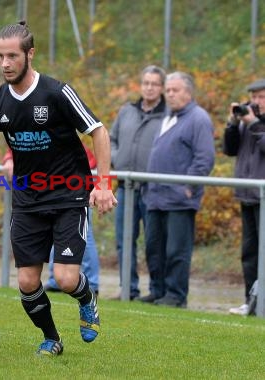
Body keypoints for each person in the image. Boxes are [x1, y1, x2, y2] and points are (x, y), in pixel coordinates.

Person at [0, 21, 117, 356]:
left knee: (65, 278)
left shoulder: (57, 93)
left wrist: (102, 184)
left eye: (12, 56)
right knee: (27, 282)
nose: (5, 63)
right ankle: (51, 339)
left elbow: (99, 131)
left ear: (29, 54)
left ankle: (86, 296)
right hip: (27, 200)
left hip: (68, 194)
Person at [140, 71, 215, 308]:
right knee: (154, 248)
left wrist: (189, 187)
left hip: (179, 199)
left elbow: (204, 158)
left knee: (176, 251)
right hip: (156, 197)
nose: (170, 94)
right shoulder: (167, 117)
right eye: (168, 90)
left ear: (188, 92)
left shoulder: (198, 118)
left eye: (175, 90)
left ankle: (175, 295)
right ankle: (158, 290)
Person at [2, 146, 101, 294]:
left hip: (72, 194)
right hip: (44, 195)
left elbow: (89, 154)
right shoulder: (28, 133)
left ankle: (91, 284)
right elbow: (24, 142)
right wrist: (9, 157)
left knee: (85, 239)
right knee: (54, 237)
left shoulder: (61, 132)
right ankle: (56, 281)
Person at [110, 65, 167, 300]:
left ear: (162, 88)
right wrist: (116, 158)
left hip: (153, 189)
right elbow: (111, 139)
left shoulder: (168, 115)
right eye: (146, 83)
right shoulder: (127, 111)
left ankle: (157, 291)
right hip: (125, 188)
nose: (149, 88)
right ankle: (128, 289)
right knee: (124, 241)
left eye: (154, 84)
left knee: (155, 243)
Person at [223, 78, 265, 316]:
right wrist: (233, 123)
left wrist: (256, 124)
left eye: (261, 97)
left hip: (264, 196)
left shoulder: (256, 123)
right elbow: (229, 149)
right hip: (248, 195)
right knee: (249, 253)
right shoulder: (247, 120)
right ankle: (251, 301)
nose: (255, 102)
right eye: (253, 97)